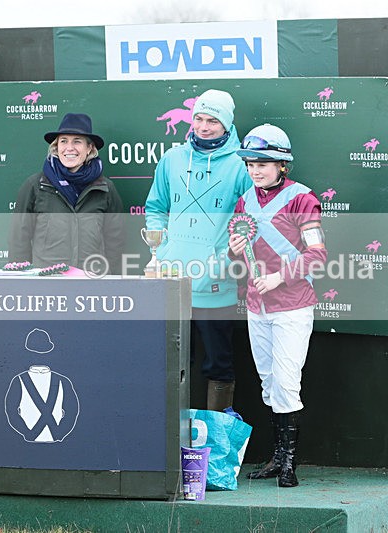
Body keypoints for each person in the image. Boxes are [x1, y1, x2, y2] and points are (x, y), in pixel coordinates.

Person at [228, 123, 326, 488]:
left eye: (263, 164)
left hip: (291, 305)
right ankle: (275, 459)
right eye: (251, 164)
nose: (255, 170)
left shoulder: (303, 198)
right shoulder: (244, 201)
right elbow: (238, 250)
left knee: (286, 383)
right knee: (269, 384)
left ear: (282, 165)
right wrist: (233, 250)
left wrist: (278, 277)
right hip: (258, 306)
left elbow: (317, 254)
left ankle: (289, 464)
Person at [144, 89, 252, 412]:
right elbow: (155, 208)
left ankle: (214, 448)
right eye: (200, 119)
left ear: (227, 124)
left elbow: (250, 219)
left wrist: (225, 259)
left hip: (217, 285)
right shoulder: (172, 159)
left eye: (213, 121)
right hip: (173, 283)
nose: (204, 127)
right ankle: (174, 446)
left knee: (218, 365)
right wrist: (162, 250)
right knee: (174, 364)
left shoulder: (241, 166)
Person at [9, 113, 124, 273]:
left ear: (89, 147)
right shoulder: (35, 186)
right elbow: (18, 242)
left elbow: (115, 244)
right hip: (47, 287)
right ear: (56, 147)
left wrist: (111, 283)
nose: (70, 148)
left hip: (93, 285)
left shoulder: (105, 188)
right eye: (64, 141)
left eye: (77, 141)